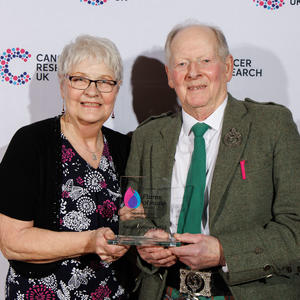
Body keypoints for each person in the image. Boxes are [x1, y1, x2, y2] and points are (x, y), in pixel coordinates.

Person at [124, 22, 300, 299]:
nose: (193, 73)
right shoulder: (147, 137)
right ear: (170, 76)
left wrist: (223, 251)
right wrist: (144, 239)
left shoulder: (271, 126)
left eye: (205, 60)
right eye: (182, 63)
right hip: (165, 290)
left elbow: (295, 227)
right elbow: (131, 215)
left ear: (228, 67)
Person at [0, 35, 134, 299]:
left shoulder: (124, 147)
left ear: (116, 89)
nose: (92, 91)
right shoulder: (31, 143)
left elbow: (135, 216)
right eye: (80, 79)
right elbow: (12, 242)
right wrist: (88, 242)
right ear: (63, 85)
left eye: (105, 82)